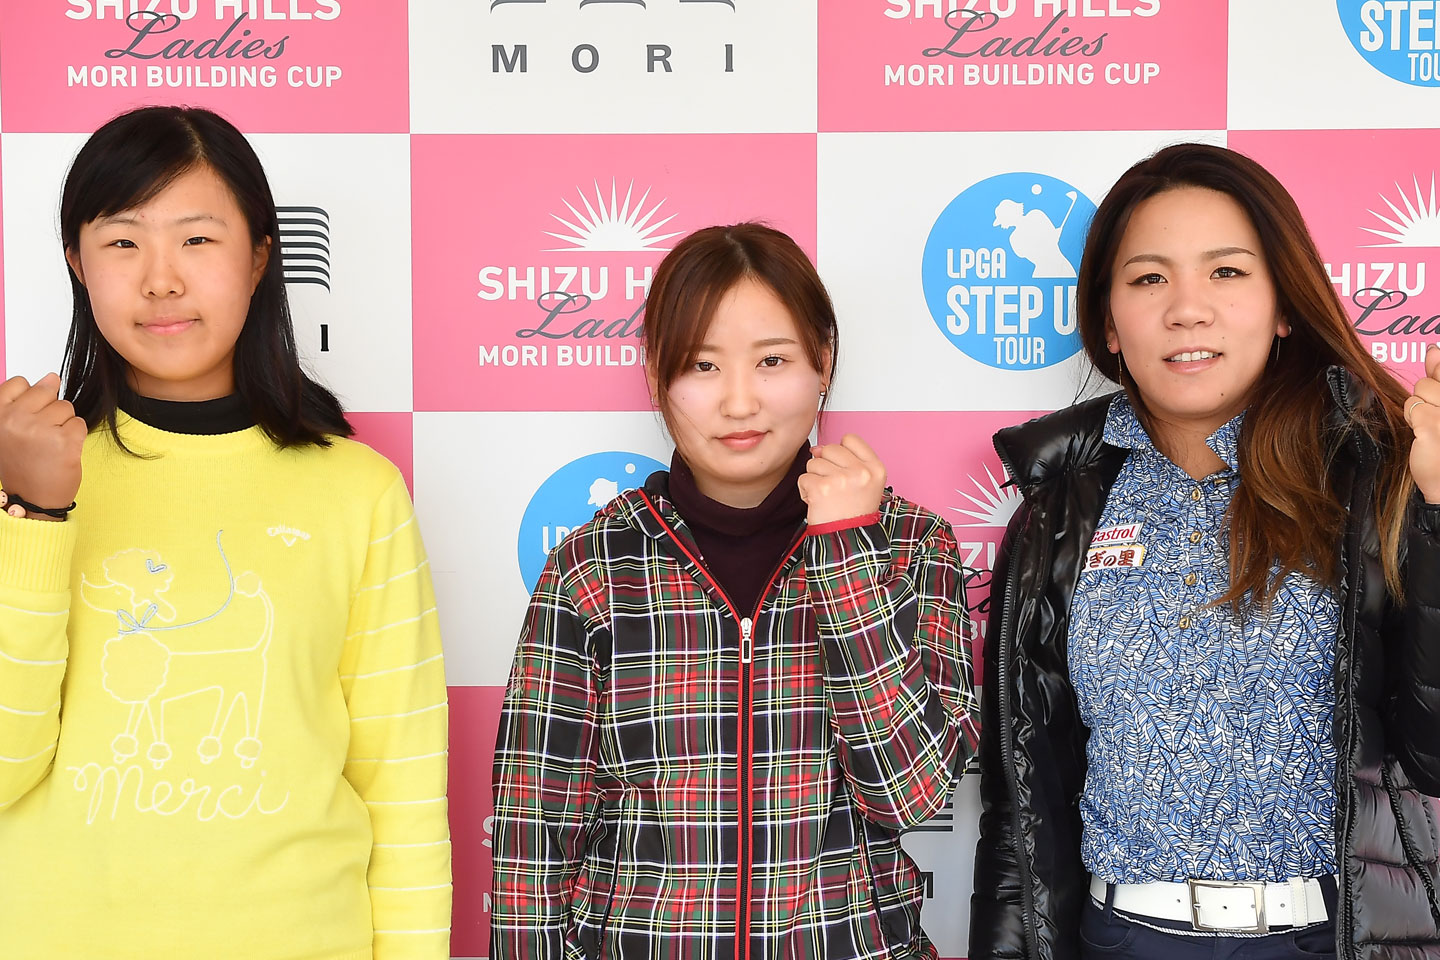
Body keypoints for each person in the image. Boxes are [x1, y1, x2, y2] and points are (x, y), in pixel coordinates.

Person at [969, 142, 1440, 959]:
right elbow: (1018, 805)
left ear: (1284, 305)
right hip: (1121, 938)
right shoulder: (1059, 512)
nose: (1187, 309)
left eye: (1226, 272)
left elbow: (1432, 755)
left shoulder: (1374, 480)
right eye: (1150, 278)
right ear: (1109, 322)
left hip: (1329, 938)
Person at [0, 106, 451, 959]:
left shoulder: (358, 491)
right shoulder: (20, 469)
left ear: (259, 257)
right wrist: (36, 514)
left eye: (197, 240)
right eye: (123, 242)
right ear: (77, 264)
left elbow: (403, 792)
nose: (161, 280)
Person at [491, 222, 979, 960]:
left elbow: (909, 793)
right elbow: (532, 836)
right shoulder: (595, 566)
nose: (740, 402)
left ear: (823, 361)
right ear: (655, 376)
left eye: (772, 360)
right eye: (703, 365)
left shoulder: (909, 545)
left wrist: (845, 554)